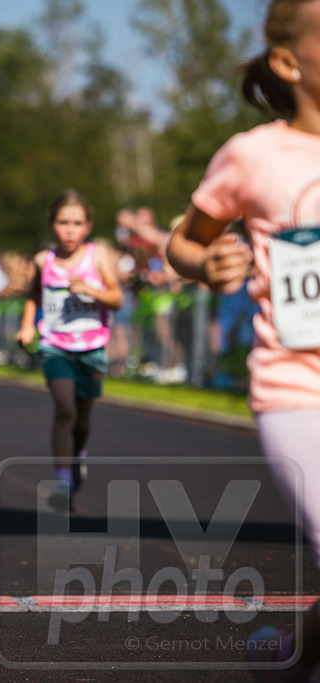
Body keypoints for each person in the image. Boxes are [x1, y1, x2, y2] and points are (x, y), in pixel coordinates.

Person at [165, 0, 320, 675]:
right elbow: (184, 239)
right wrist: (206, 262)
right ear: (290, 62)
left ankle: (291, 659)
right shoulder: (254, 155)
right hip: (296, 387)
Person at [16, 189, 122, 513]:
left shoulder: (98, 256)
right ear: (52, 225)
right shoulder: (43, 260)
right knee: (65, 408)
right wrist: (27, 325)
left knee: (81, 418)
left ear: (87, 226)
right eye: (63, 222)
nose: (69, 230)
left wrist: (89, 289)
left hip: (91, 347)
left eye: (76, 223)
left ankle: (78, 456)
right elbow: (34, 295)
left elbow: (116, 298)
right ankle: (62, 481)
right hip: (55, 345)